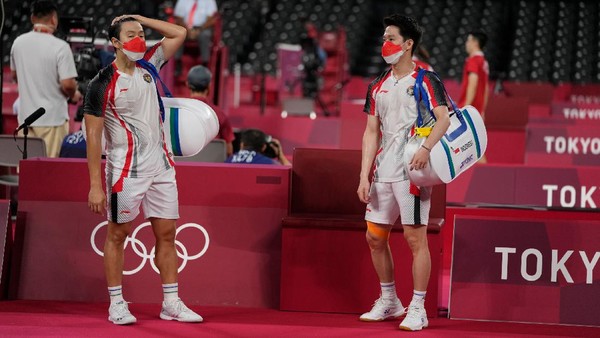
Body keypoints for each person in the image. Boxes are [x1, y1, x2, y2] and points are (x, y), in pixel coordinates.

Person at [84, 14, 202, 325]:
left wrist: (140, 18)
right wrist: (96, 184)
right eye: (131, 34)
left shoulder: (150, 65)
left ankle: (172, 303)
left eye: (141, 33)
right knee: (117, 235)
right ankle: (117, 303)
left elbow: (179, 32)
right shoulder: (102, 84)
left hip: (162, 166)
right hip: (126, 170)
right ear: (115, 43)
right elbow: (94, 139)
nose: (139, 38)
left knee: (167, 233)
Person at [357, 14, 450, 331]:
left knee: (414, 239)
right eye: (384, 37)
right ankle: (389, 301)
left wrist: (425, 150)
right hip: (383, 172)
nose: (386, 43)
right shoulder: (376, 85)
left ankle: (418, 307)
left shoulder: (426, 80)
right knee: (374, 237)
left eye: (392, 38)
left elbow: (443, 119)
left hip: (413, 172)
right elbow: (371, 132)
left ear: (408, 44)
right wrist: (363, 175)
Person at [10, 0, 81, 158]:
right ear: (54, 19)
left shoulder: (18, 43)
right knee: (49, 172)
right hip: (52, 119)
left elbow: (15, 76)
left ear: (32, 18)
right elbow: (68, 84)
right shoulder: (60, 46)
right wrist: (74, 95)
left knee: (28, 170)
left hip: (26, 119)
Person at [186, 65, 234, 156]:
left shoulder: (177, 111)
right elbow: (228, 150)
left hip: (181, 167)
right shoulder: (219, 114)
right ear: (209, 86)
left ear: (187, 84)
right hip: (213, 166)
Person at [173, 0, 218, 74]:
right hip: (185, 27)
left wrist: (199, 30)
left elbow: (211, 19)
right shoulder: (182, 1)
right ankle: (177, 63)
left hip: (202, 28)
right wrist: (188, 30)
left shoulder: (210, 1)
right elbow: (178, 18)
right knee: (179, 34)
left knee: (205, 35)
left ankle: (205, 64)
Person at [458, 30, 489, 116]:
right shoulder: (484, 61)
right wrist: (483, 110)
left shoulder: (473, 61)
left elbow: (473, 84)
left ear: (475, 43)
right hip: (478, 110)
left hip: (470, 110)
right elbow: (486, 88)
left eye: (468, 40)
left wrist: (465, 108)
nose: (466, 44)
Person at [225, 129, 291, 165]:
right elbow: (291, 175)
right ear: (263, 147)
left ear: (242, 144)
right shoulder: (269, 163)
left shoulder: (228, 161)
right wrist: (281, 156)